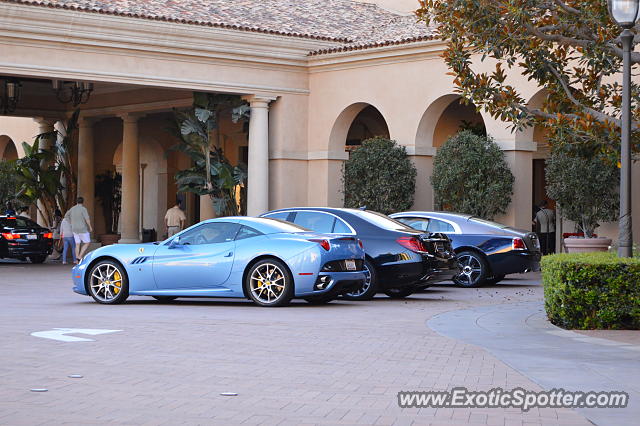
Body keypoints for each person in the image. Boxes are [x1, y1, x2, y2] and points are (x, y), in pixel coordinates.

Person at [65, 197, 93, 262]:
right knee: (87, 242)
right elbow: (87, 219)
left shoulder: (72, 208)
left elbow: (66, 216)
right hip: (82, 228)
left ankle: (77, 259)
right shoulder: (83, 209)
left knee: (77, 244)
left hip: (74, 229)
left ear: (76, 202)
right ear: (83, 202)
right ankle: (80, 256)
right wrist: (90, 227)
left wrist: (71, 222)